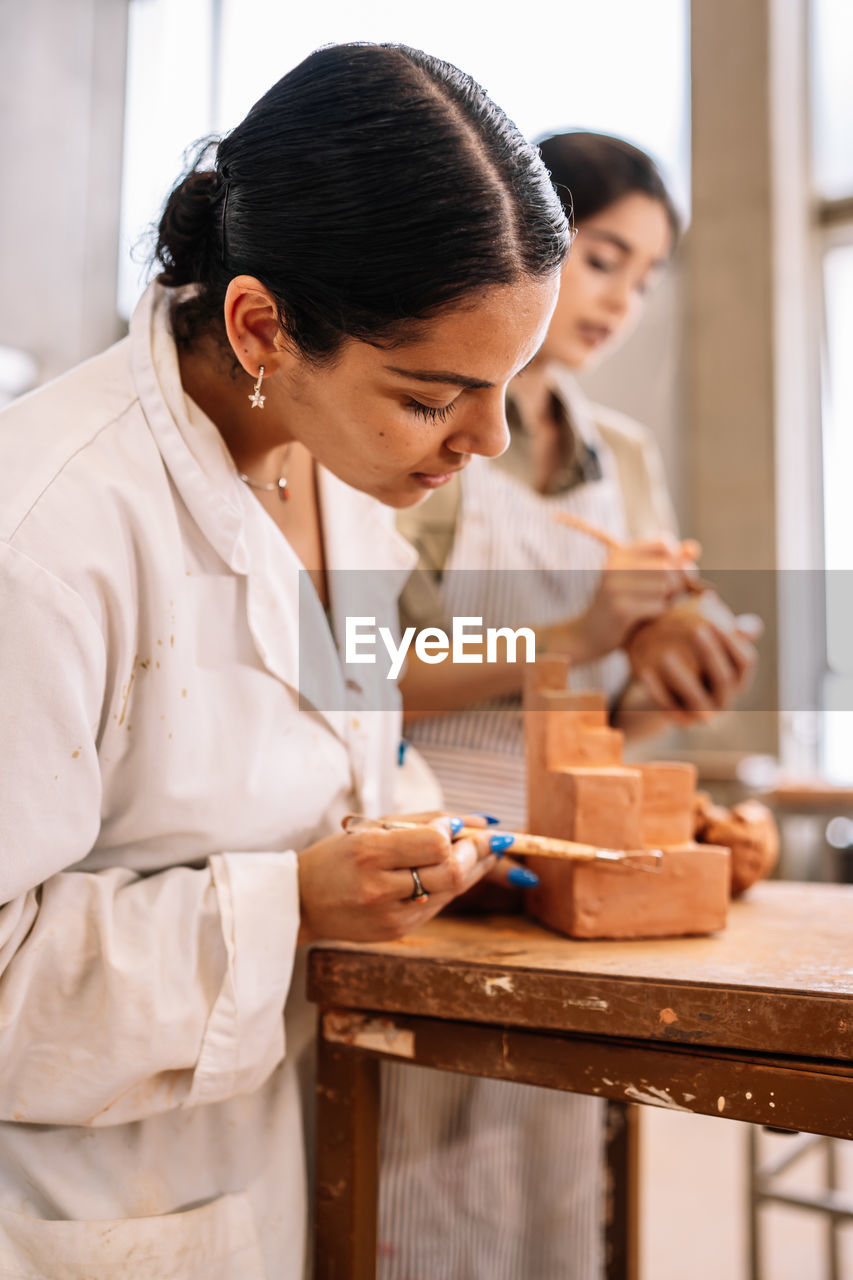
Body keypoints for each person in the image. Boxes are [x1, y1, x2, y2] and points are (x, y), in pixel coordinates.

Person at [0, 44, 571, 1278]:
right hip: (73, 1204)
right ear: (261, 323)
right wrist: (291, 905)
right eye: (435, 395)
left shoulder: (339, 477)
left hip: (266, 1160)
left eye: (509, 386)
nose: (488, 437)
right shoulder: (42, 531)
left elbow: (338, 752)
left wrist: (463, 851)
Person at [381, 133, 759, 1280]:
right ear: (523, 248)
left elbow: (600, 719)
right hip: (426, 867)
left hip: (569, 878)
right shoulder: (418, 422)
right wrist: (576, 634)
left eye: (644, 279)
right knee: (417, 1189)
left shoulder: (623, 459)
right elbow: (361, 664)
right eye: (601, 258)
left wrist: (655, 683)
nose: (620, 301)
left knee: (557, 1203)